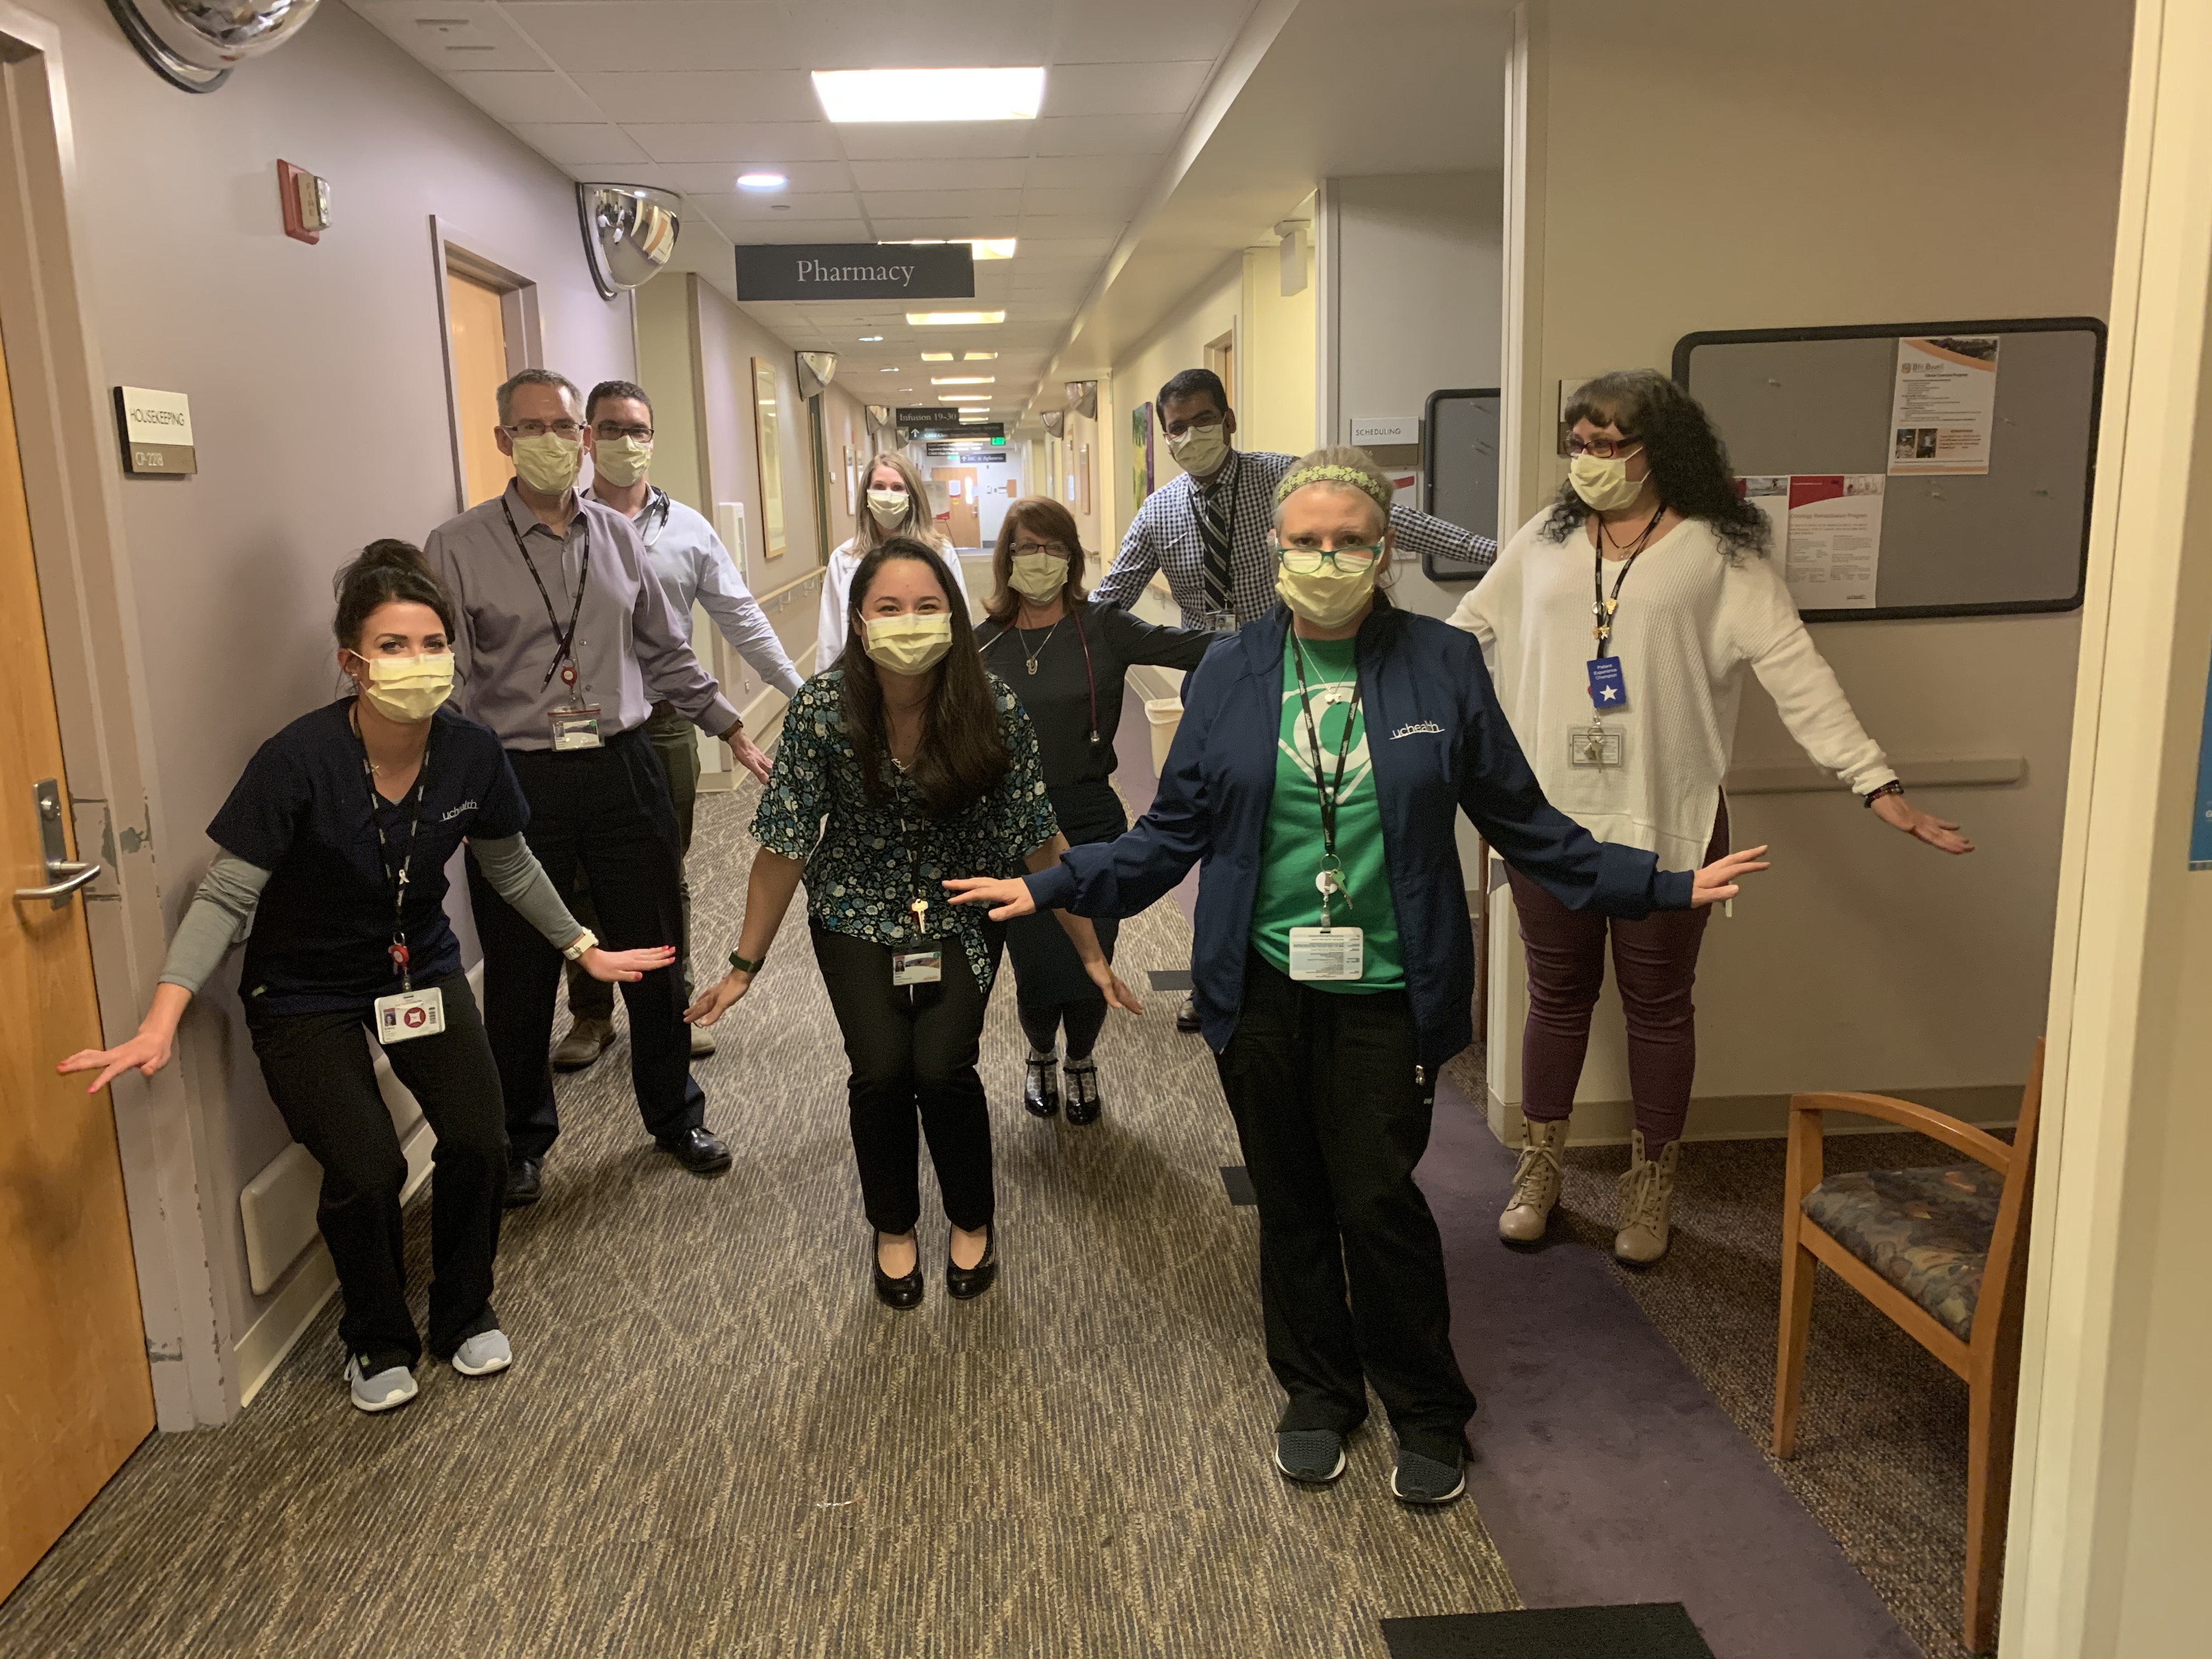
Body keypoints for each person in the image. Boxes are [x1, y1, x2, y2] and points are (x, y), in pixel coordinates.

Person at [948, 448, 1767, 1505]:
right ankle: (1317, 1390)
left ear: (1384, 551)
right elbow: (1173, 833)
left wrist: (1659, 884)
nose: (1325, 558)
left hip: (1386, 984)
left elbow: (1525, 823)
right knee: (1289, 1200)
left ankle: (1425, 1404)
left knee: (1377, 1197)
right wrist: (1057, 882)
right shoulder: (1234, 668)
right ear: (1276, 551)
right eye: (1304, 541)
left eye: (1347, 540)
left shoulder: (1439, 663)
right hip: (1260, 984)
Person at [56, 544, 671, 1413]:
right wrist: (164, 1017)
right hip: (303, 990)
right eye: (392, 646)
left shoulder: (472, 753)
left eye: (431, 643)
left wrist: (584, 949)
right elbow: (229, 891)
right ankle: (377, 1338)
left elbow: (511, 864)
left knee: (480, 1138)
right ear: (352, 662)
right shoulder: (298, 758)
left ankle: (463, 1314)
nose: (416, 663)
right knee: (369, 1165)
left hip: (415, 966)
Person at [1452, 370, 1973, 1263]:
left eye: (1613, 443)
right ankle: (1540, 1166)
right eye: (1579, 443)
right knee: (1555, 996)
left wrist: (1873, 782)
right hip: (1547, 824)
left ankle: (1650, 1182)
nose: (1594, 460)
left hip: (1669, 822)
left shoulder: (1718, 555)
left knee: (1657, 1009)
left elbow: (1797, 671)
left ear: (1664, 447)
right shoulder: (1541, 540)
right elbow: (1464, 632)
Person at [686, 537, 1138, 1308]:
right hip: (855, 912)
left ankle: (972, 1218)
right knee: (882, 1073)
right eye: (888, 608)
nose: (908, 622)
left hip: (961, 908)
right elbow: (783, 850)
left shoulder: (992, 708)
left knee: (942, 1069)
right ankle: (892, 1227)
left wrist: (1089, 954)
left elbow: (1040, 837)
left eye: (927, 607)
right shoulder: (822, 712)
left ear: (955, 620)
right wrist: (742, 966)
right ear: (859, 623)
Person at [424, 367, 747, 1209]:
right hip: (517, 778)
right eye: (533, 427)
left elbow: (666, 651)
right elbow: (447, 679)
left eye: (567, 427)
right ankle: (522, 1141)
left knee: (654, 951)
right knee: (525, 971)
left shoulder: (617, 534)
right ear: (503, 440)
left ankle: (675, 1115)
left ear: (584, 437)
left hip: (622, 765)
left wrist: (732, 728)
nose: (555, 442)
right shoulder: (456, 547)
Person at [1094, 367, 1500, 1034]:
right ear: (1165, 438)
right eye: (1177, 428)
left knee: (1313, 815)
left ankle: (1344, 942)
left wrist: (1515, 563)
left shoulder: (1290, 484)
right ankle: (1217, 972)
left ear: (1229, 420)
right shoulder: (1161, 510)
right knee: (1216, 834)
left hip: (1305, 661)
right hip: (1220, 678)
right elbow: (1109, 598)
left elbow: (1412, 528)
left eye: (1203, 420)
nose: (1190, 436)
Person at [551, 377, 805, 1073]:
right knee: (579, 874)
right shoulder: (553, 525)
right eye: (608, 429)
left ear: (653, 438)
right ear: (586, 438)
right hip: (573, 729)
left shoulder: (687, 530)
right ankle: (592, 1013)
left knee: (664, 868)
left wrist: (801, 693)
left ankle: (675, 1004)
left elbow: (742, 618)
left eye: (637, 430)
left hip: (663, 723)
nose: (624, 443)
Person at [974, 496, 1220, 1122]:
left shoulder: (1102, 626)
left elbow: (1195, 648)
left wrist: (1290, 635)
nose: (1040, 560)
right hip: (1013, 830)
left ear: (1073, 559)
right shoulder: (979, 647)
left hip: (1090, 819)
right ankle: (1039, 1055)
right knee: (1036, 967)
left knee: (1091, 965)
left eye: (1054, 548)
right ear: (1006, 558)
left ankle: (1080, 1057)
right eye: (1026, 547)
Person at [816, 451, 972, 664]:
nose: (888, 495)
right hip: (862, 674)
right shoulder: (844, 559)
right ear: (866, 496)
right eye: (879, 487)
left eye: (898, 488)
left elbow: (962, 624)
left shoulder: (941, 553)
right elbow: (830, 639)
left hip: (932, 670)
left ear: (913, 496)